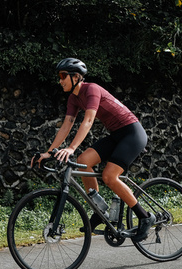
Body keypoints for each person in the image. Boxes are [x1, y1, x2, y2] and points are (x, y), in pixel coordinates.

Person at [32, 57, 155, 241]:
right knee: (83, 162)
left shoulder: (92, 89)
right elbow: (67, 126)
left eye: (63, 75)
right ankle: (100, 210)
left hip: (132, 133)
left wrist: (71, 148)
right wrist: (49, 152)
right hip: (116, 135)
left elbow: (88, 120)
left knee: (109, 176)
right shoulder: (73, 98)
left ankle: (145, 217)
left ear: (76, 77)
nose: (60, 80)